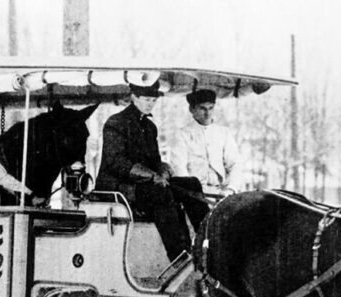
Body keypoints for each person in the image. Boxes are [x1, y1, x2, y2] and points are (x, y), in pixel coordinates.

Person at [96, 81, 209, 261]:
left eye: (153, 100)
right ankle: (179, 255)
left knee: (191, 184)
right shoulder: (115, 122)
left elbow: (155, 161)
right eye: (147, 99)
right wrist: (153, 176)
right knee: (160, 193)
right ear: (134, 98)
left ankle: (207, 243)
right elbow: (116, 162)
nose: (151, 103)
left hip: (145, 185)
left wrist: (163, 171)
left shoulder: (149, 127)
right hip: (117, 188)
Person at [170, 89, 240, 194]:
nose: (207, 114)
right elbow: (179, 167)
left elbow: (235, 164)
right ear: (191, 109)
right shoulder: (182, 134)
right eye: (202, 108)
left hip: (222, 192)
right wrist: (190, 192)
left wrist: (230, 188)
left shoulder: (223, 133)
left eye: (211, 108)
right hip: (195, 193)